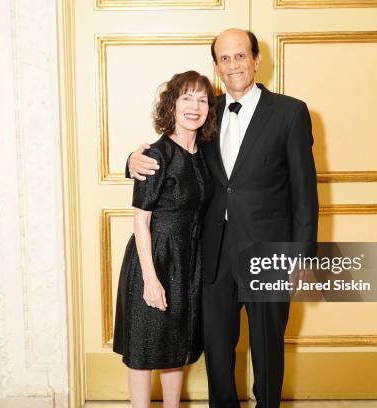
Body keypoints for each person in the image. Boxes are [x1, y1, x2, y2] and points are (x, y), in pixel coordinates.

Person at [127, 29, 319, 408]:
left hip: (269, 251)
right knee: (217, 349)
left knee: (267, 347)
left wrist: (302, 255)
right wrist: (131, 162)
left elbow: (305, 191)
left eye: (240, 56)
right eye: (224, 59)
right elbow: (169, 154)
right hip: (211, 254)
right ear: (216, 66)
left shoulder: (290, 112)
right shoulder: (204, 110)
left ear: (257, 60)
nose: (233, 66)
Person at [113, 70, 218, 408]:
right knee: (143, 348)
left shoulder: (204, 153)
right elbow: (140, 222)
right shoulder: (156, 156)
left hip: (189, 260)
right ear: (172, 105)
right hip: (154, 257)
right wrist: (150, 280)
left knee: (177, 345)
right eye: (186, 97)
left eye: (202, 99)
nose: (194, 106)